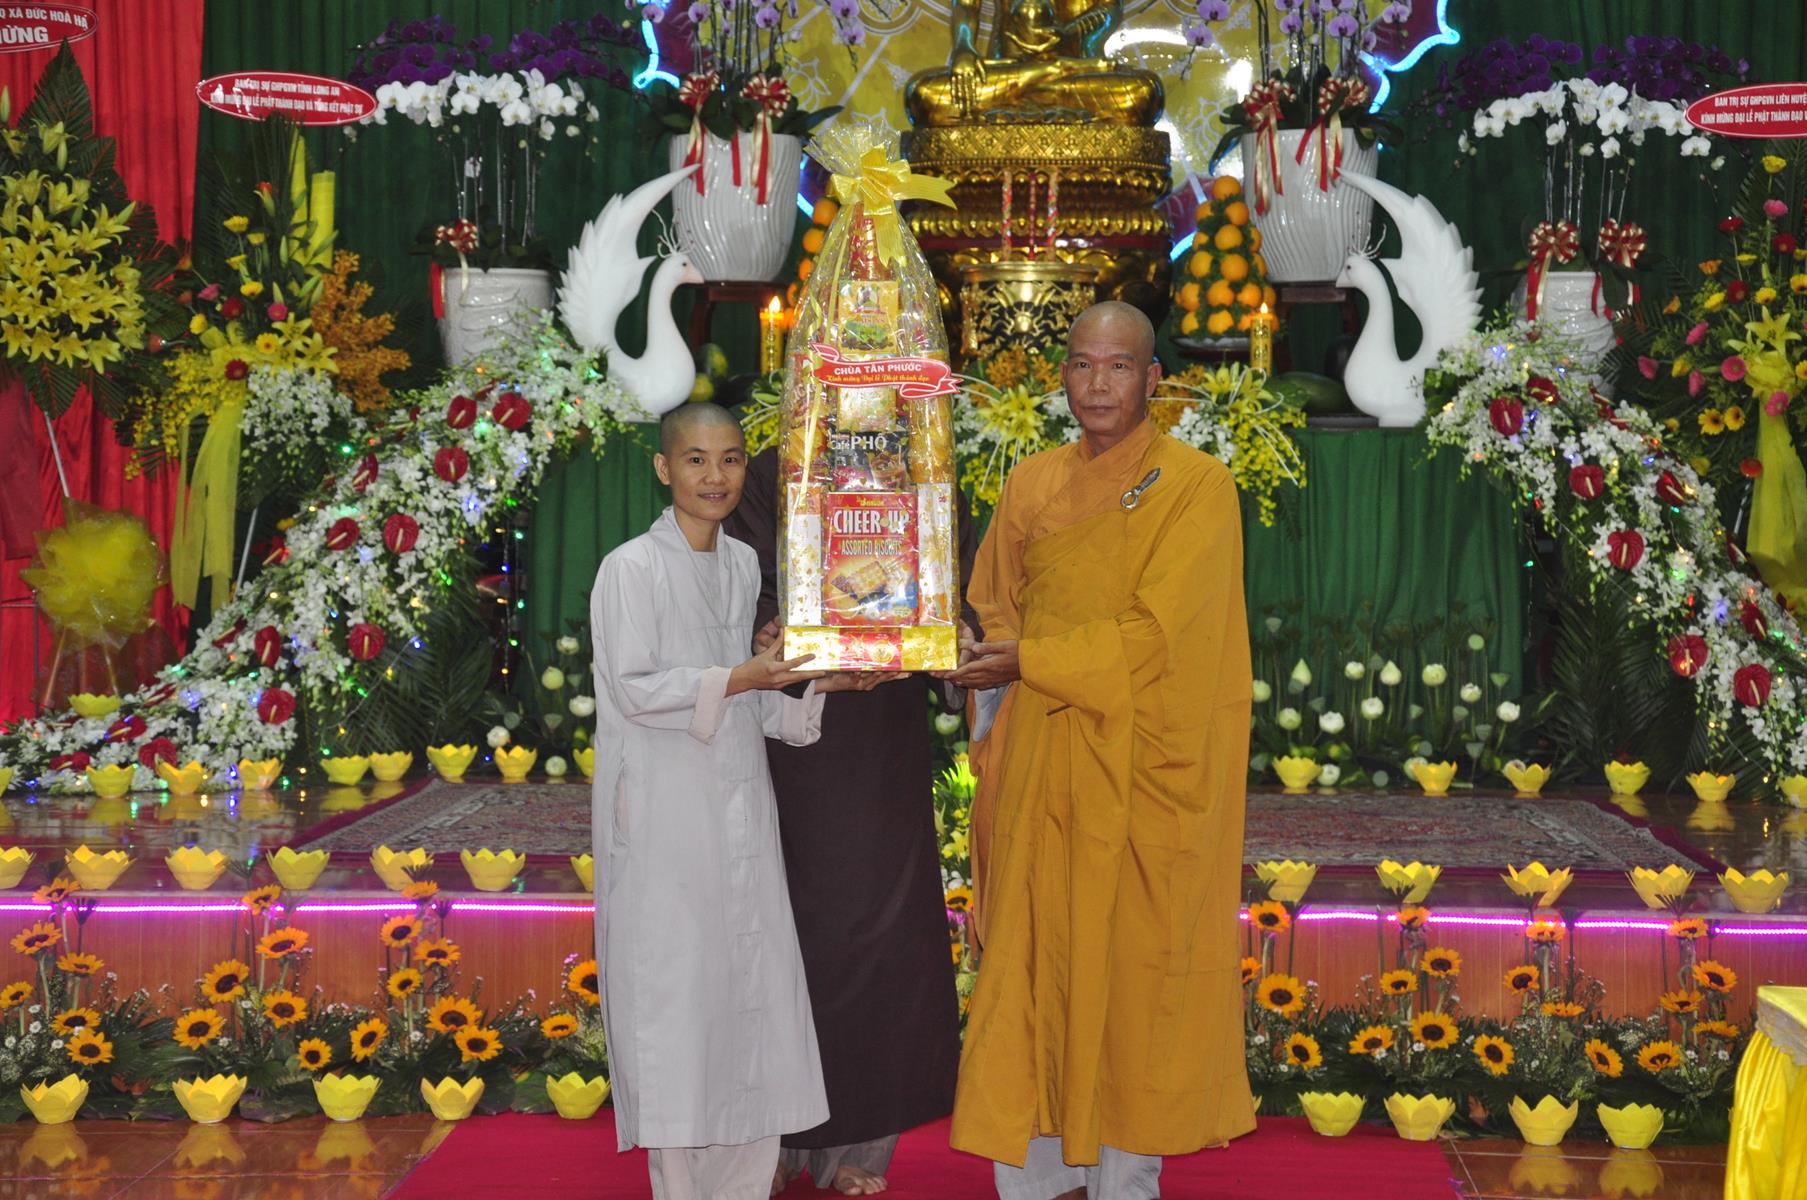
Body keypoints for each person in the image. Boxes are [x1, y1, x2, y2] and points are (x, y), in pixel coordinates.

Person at [942, 301, 1257, 1199]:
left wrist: (1030, 659)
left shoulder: (1195, 486)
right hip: (1040, 755)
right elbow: (993, 599)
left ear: (1152, 379)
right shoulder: (1032, 481)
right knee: (1030, 957)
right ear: (1061, 378)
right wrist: (985, 656)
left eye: (1118, 367)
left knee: (1129, 971)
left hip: (1135, 763)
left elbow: (1162, 633)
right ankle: (1034, 1176)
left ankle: (1124, 1177)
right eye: (1082, 365)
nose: (1098, 385)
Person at [589, 404, 896, 1200]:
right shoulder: (630, 569)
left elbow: (752, 704)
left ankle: (744, 1185)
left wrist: (822, 681)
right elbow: (635, 689)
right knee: (677, 1007)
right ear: (664, 469)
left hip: (739, 811)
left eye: (729, 460)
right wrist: (743, 676)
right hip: (664, 818)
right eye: (695, 460)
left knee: (749, 998)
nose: (714, 477)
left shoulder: (738, 566)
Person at [724, 448, 970, 1196]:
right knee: (783, 928)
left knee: (878, 928)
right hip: (790, 723)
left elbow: (955, 583)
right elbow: (737, 586)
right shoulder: (772, 471)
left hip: (880, 726)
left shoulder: (923, 464)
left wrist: (946, 633)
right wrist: (769, 630)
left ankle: (864, 1138)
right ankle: (767, 1140)